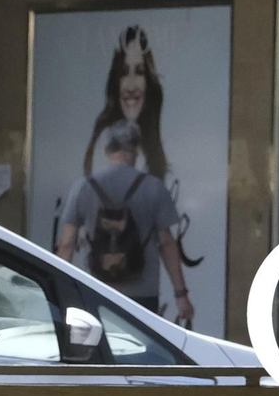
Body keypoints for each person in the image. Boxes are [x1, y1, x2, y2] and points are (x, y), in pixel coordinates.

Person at [56, 120, 194, 325]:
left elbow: (67, 244)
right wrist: (181, 295)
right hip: (143, 293)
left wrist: (60, 291)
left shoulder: (83, 187)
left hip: (97, 289)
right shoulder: (154, 188)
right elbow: (166, 244)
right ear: (136, 150)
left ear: (107, 149)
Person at [80, 26, 170, 179]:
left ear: (148, 81)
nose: (131, 86)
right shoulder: (106, 140)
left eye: (139, 72)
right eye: (124, 72)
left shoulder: (149, 142)